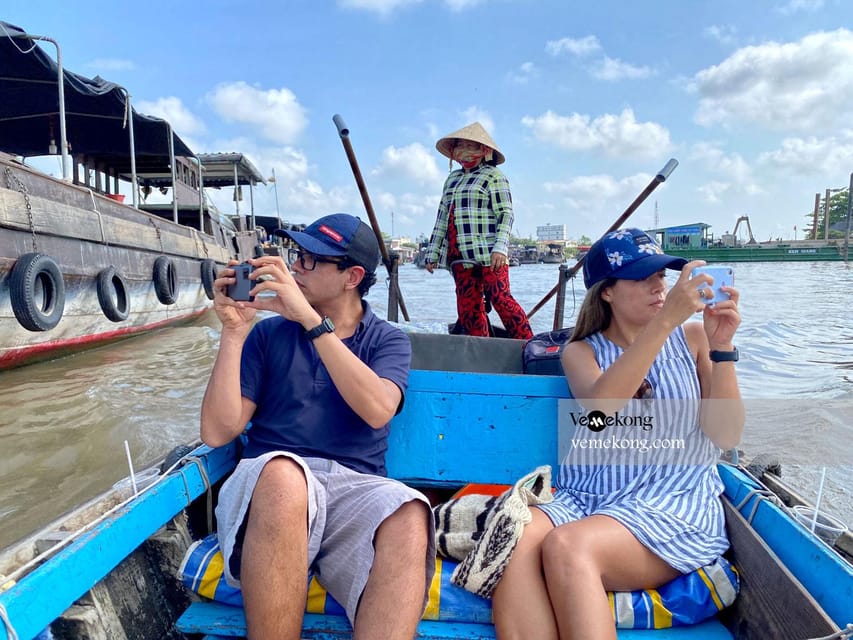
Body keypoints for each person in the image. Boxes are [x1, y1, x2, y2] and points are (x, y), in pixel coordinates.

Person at [491, 228, 744, 639]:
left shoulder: (693, 338)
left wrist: (723, 348)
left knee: (569, 547)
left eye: (661, 277)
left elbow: (727, 434)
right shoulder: (582, 352)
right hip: (590, 497)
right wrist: (664, 321)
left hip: (672, 501)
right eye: (643, 277)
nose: (658, 287)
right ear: (606, 292)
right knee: (514, 535)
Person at [200, 213, 434, 640]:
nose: (295, 269)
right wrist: (234, 333)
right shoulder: (268, 336)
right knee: (285, 477)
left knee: (410, 512)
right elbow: (218, 433)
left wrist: (311, 322)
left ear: (352, 277)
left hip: (353, 489)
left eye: (310, 260)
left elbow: (378, 410)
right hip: (272, 482)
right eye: (297, 256)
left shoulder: (387, 341)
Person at [424, 122, 533, 340]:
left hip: (489, 253)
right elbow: (442, 217)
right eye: (460, 146)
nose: (464, 151)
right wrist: (432, 253)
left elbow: (506, 214)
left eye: (470, 146)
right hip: (459, 253)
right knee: (468, 306)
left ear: (484, 151)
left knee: (500, 298)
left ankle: (529, 344)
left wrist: (500, 248)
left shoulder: (494, 176)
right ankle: (481, 348)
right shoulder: (452, 179)